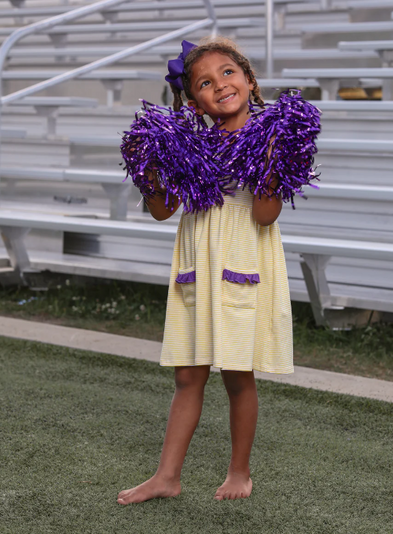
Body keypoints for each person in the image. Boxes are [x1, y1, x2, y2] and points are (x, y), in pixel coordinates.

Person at [118, 37, 319, 505]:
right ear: (193, 102)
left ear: (250, 80)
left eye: (228, 73)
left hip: (243, 257)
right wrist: (145, 169)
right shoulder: (189, 144)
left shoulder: (273, 136)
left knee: (236, 375)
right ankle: (167, 476)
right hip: (197, 259)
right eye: (205, 83)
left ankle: (239, 472)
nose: (220, 85)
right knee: (188, 376)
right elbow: (163, 210)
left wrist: (272, 163)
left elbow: (265, 215)